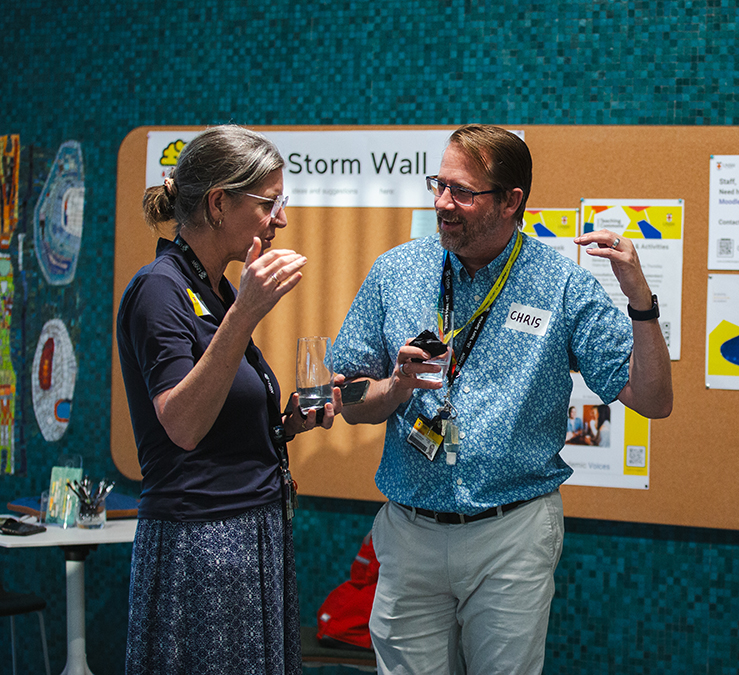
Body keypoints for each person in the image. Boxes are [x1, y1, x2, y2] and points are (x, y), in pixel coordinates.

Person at [328, 123, 673, 674]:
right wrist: (394, 387)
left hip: (510, 534)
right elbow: (347, 395)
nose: (443, 203)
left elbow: (652, 399)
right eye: (438, 185)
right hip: (409, 532)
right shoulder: (396, 272)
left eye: (462, 191)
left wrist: (640, 299)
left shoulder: (560, 283)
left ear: (511, 201)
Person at [116, 124, 343, 675]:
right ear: (219, 203)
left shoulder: (217, 289)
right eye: (270, 203)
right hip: (203, 541)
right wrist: (246, 316)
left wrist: (285, 425)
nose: (281, 219)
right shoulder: (160, 289)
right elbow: (184, 424)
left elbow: (219, 413)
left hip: (251, 529)